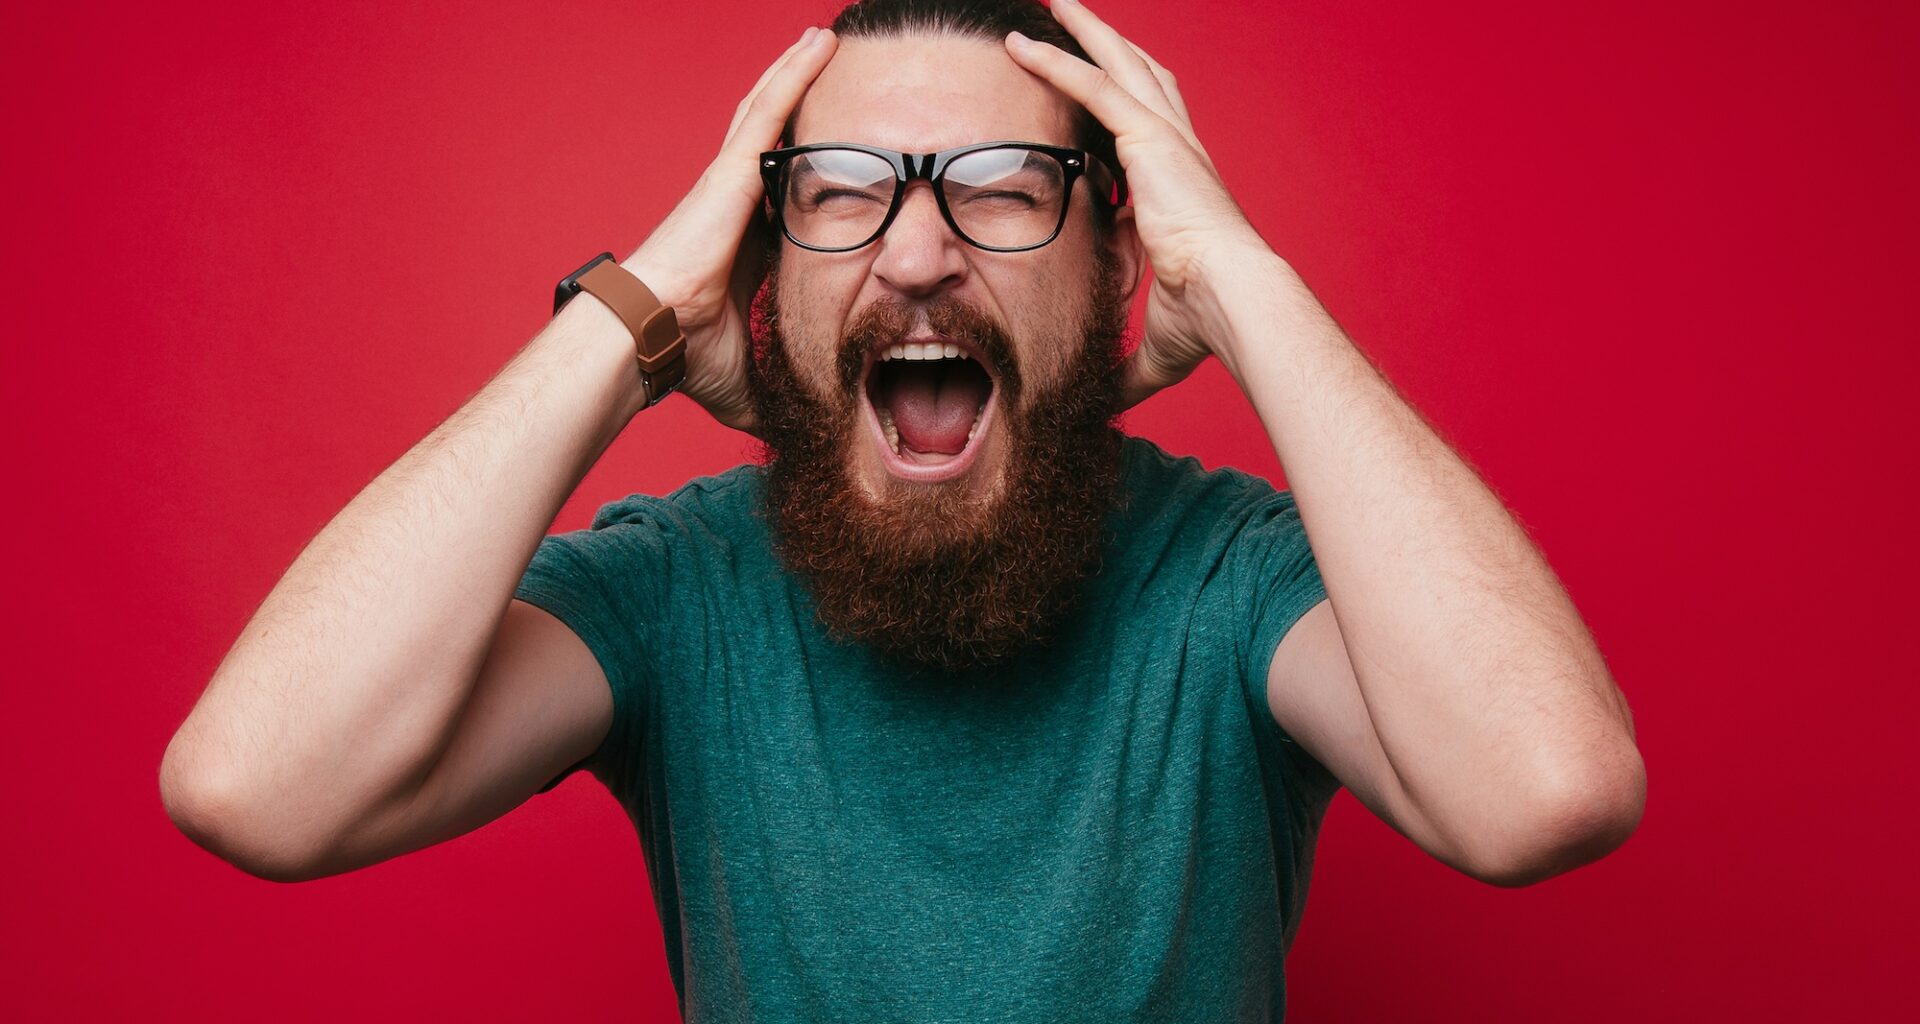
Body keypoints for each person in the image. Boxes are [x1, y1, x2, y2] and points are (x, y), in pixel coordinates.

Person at [160, 0, 1646, 1019]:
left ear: (1118, 264)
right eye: (840, 190)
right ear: (761, 269)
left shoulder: (1231, 578)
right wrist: (644, 311)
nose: (920, 253)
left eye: (1005, 188)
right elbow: (262, 789)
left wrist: (1245, 283)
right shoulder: (680, 590)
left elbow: (1542, 794)